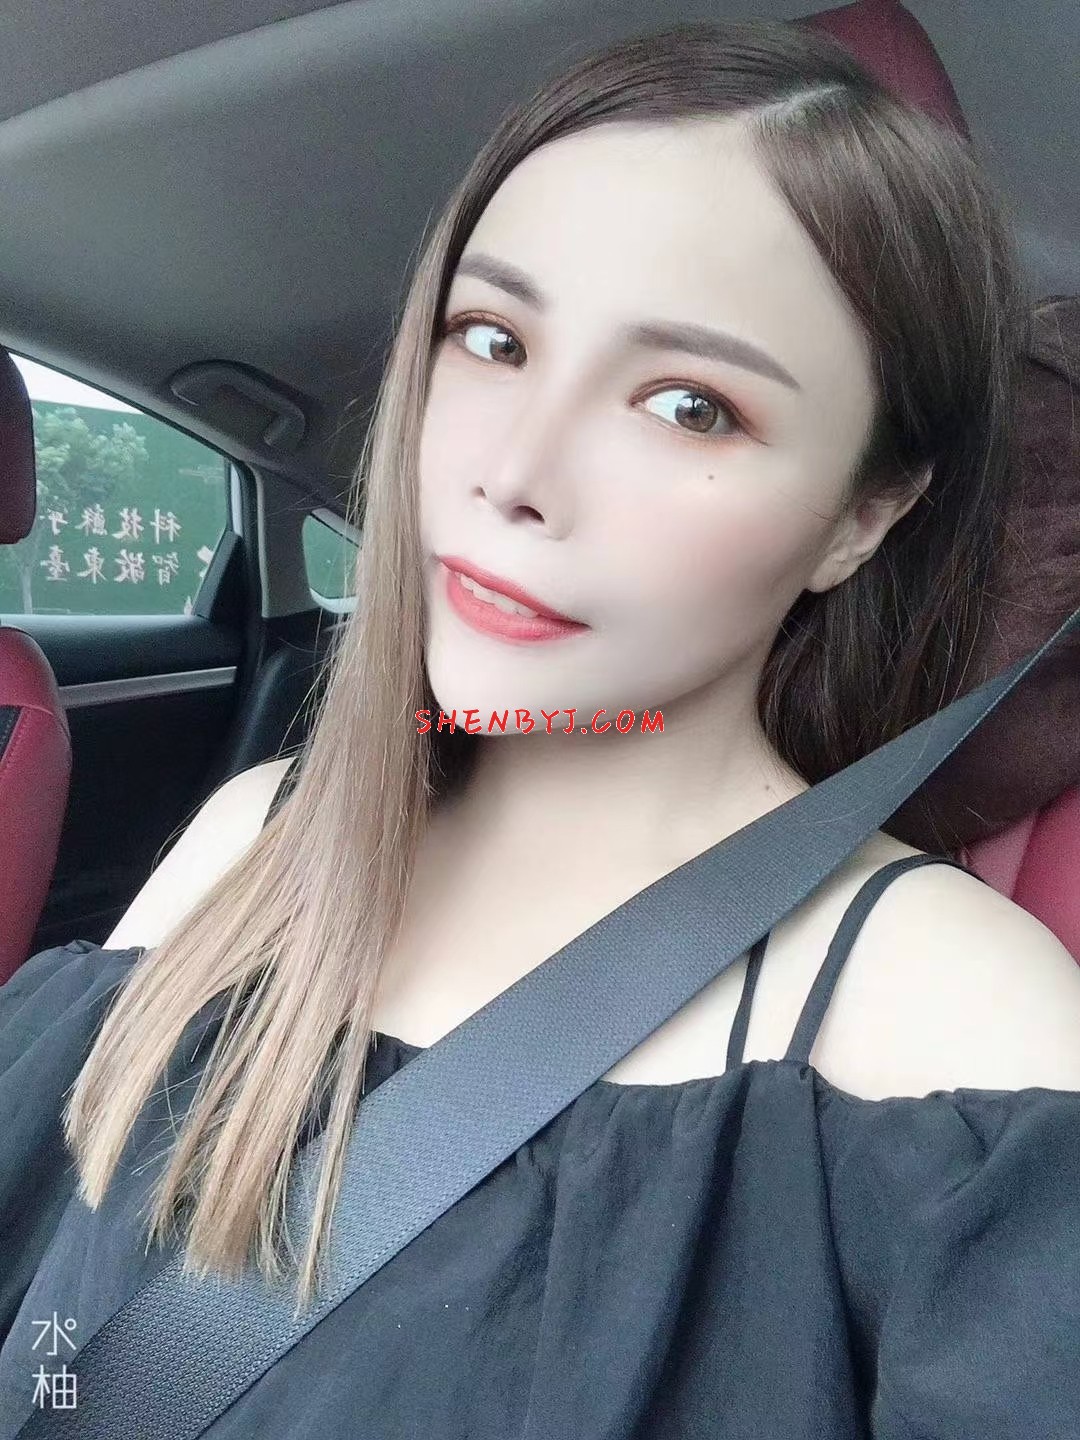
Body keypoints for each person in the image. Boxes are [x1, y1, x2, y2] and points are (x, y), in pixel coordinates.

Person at [2, 17, 1080, 1436]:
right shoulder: (253, 840)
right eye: (493, 338)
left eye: (691, 406)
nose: (515, 469)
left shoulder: (955, 1022)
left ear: (861, 517)